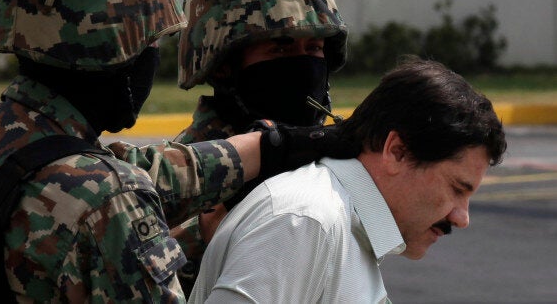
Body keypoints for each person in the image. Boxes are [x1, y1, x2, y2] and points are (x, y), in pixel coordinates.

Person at [0, 0, 352, 302]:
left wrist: (270, 147)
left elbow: (137, 170)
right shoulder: (106, 200)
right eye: (149, 42)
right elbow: (108, 193)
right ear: (115, 50)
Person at [188, 57, 508, 303]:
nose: (462, 218)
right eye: (456, 188)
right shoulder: (303, 221)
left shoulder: (339, 224)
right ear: (396, 152)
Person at [170, 0, 349, 294]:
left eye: (314, 47)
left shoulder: (331, 151)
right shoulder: (181, 171)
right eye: (280, 50)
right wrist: (206, 232)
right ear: (225, 65)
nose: (303, 64)